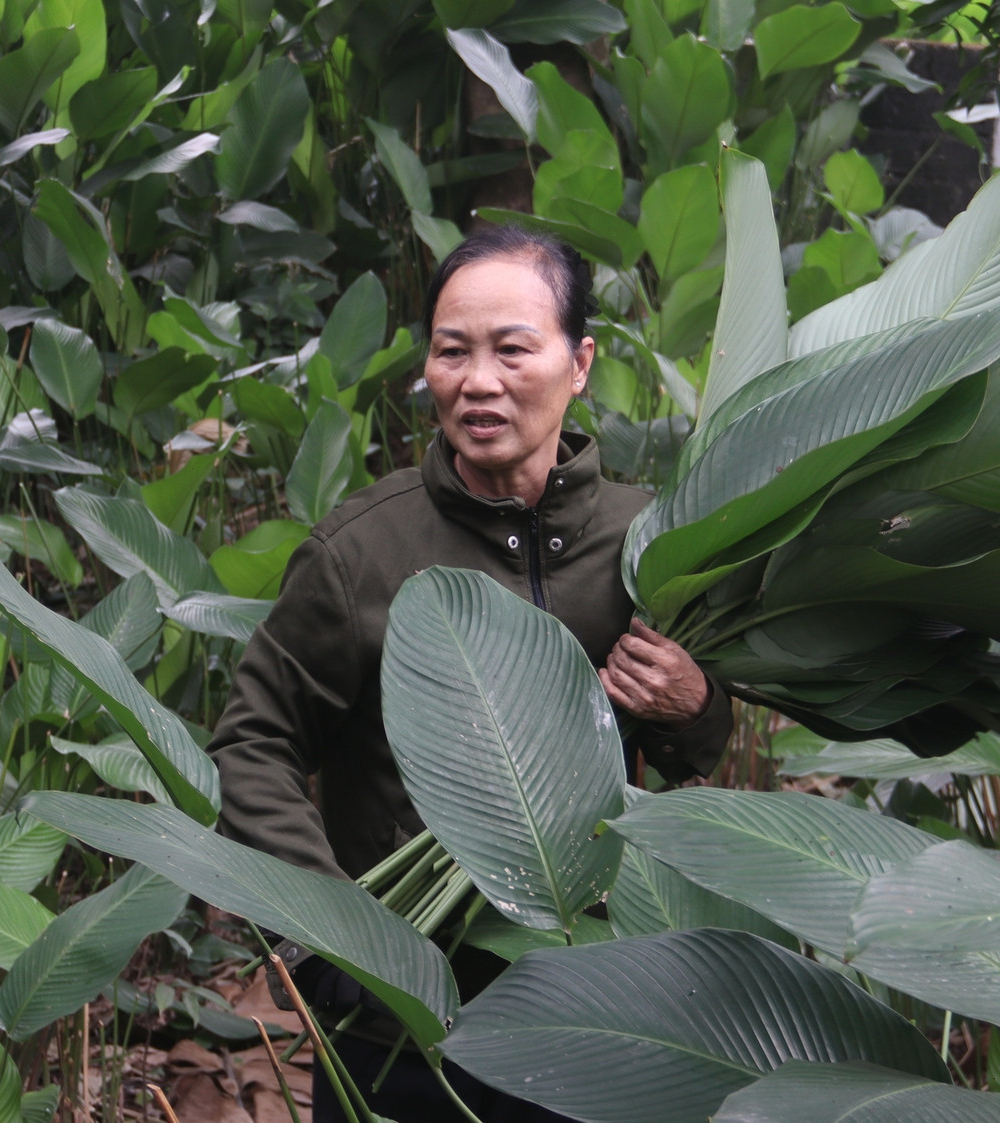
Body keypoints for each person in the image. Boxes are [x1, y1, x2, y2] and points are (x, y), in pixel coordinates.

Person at [206, 226, 733, 1122]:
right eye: (452, 352)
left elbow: (702, 747)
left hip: (602, 1021)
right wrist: (334, 931)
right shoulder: (361, 551)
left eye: (512, 349)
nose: (477, 381)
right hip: (407, 1037)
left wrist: (694, 702)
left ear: (579, 363)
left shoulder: (653, 543)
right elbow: (253, 738)